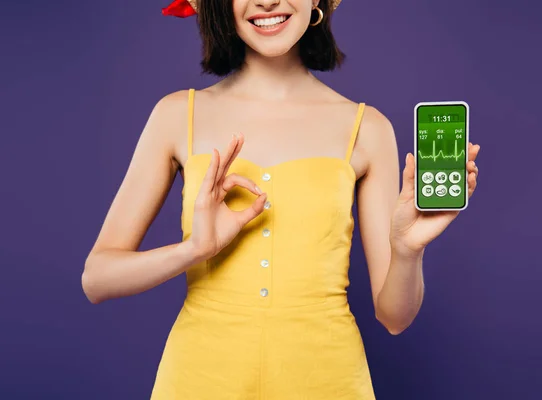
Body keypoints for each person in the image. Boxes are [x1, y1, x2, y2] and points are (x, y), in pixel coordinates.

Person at [82, 0, 481, 398]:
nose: (267, 1)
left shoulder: (368, 128)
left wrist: (407, 250)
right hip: (198, 381)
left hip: (328, 381)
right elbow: (97, 279)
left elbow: (394, 317)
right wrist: (195, 249)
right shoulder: (176, 115)